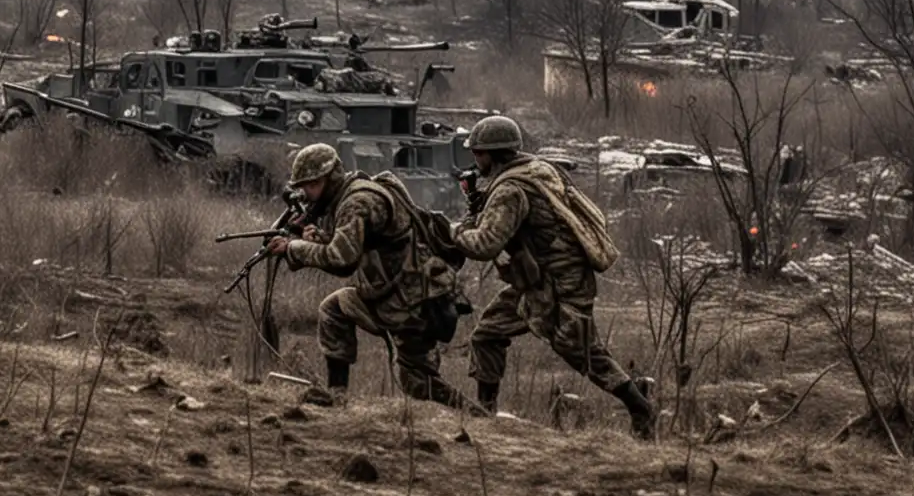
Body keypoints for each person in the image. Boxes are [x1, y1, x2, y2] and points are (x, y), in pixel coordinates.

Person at [449, 114, 655, 439]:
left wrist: (455, 230)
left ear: (495, 153)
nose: (475, 159)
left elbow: (486, 243)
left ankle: (640, 406)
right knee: (487, 334)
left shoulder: (511, 190)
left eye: (478, 153)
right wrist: (477, 203)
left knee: (580, 351)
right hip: (536, 281)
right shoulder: (536, 169)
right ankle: (485, 418)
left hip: (560, 284)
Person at [267, 143, 474, 410]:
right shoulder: (347, 197)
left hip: (414, 302)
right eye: (304, 186)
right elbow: (354, 244)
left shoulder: (358, 202)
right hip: (391, 296)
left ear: (332, 177)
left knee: (418, 383)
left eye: (313, 184)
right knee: (334, 311)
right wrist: (320, 239)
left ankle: (476, 417)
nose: (307, 193)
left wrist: (294, 249)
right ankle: (337, 397)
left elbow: (343, 259)